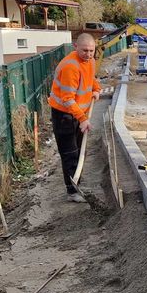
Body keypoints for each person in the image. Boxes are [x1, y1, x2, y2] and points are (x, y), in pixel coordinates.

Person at [48, 33, 100, 203]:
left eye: (91, 50)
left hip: (78, 114)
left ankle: (77, 184)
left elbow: (91, 78)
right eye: (85, 50)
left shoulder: (90, 61)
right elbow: (67, 98)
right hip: (64, 115)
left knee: (79, 150)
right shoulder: (71, 66)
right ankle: (72, 191)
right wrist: (83, 119)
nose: (89, 54)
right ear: (75, 47)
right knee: (70, 153)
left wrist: (96, 89)